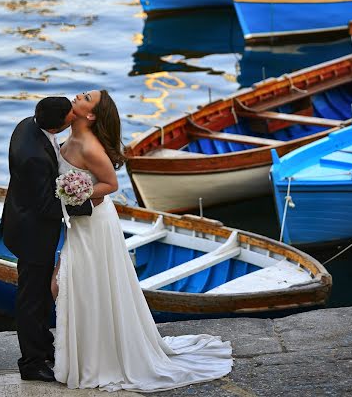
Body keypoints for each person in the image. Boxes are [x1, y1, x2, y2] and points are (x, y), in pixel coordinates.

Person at [53, 89, 233, 391]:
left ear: (91, 114)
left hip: (95, 224)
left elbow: (109, 184)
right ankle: (85, 353)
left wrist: (77, 191)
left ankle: (101, 358)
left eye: (84, 98)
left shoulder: (89, 146)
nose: (77, 98)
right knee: (77, 283)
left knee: (82, 283)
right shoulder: (65, 138)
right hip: (77, 223)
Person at [2, 96, 103, 383]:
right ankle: (31, 363)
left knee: (40, 295)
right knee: (31, 300)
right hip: (32, 234)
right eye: (72, 114)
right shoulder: (34, 155)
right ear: (59, 124)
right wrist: (87, 204)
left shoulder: (27, 126)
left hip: (21, 219)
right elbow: (46, 206)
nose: (75, 113)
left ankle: (43, 346)